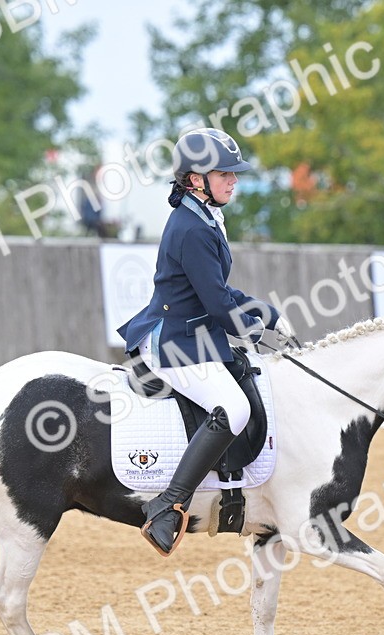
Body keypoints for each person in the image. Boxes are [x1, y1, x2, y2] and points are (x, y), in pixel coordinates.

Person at [117, 127, 294, 555]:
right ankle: (168, 504)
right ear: (196, 179)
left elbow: (217, 289)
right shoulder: (191, 228)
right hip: (175, 341)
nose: (234, 180)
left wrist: (265, 312)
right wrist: (253, 331)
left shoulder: (204, 216)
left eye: (234, 174)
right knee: (233, 408)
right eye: (224, 174)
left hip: (194, 331)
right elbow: (216, 302)